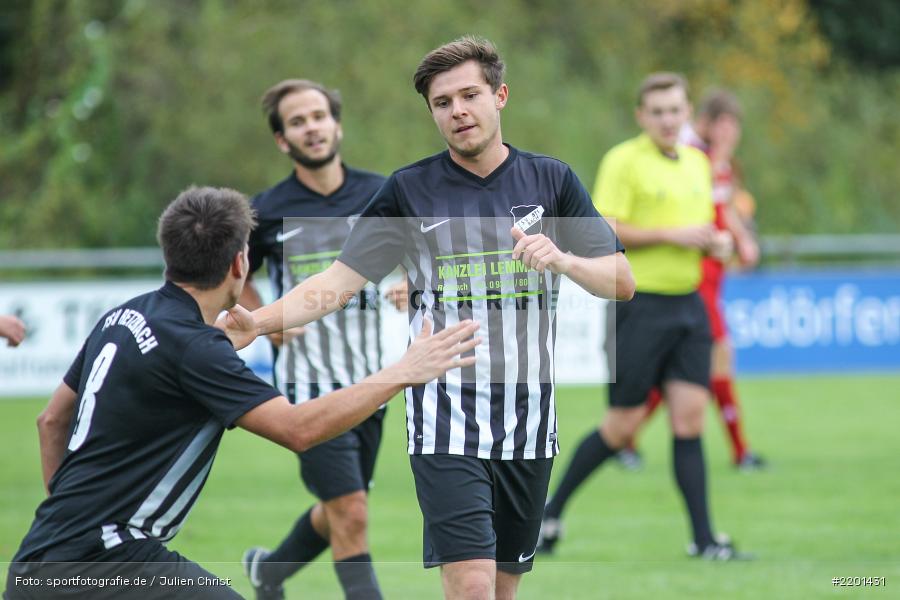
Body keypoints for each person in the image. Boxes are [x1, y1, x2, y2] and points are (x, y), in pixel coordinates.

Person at [222, 35, 633, 600]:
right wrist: (259, 322)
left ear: (500, 96)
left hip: (531, 424)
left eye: (469, 95)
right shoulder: (409, 190)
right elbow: (336, 284)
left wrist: (562, 258)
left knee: (504, 589)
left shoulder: (552, 180)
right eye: (443, 103)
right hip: (446, 422)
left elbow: (622, 280)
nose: (458, 111)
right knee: (470, 586)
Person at [3, 186, 480, 600]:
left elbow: (51, 421)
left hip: (42, 556)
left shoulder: (124, 315)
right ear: (239, 262)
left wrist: (70, 518)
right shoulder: (197, 348)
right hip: (110, 560)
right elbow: (299, 428)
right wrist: (402, 372)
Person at [539, 73, 749, 560]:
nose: (667, 119)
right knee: (622, 426)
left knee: (689, 420)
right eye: (657, 111)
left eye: (675, 110)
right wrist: (675, 236)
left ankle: (703, 540)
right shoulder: (624, 160)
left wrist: (717, 243)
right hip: (638, 306)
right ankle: (550, 513)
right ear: (641, 117)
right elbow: (603, 228)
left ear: (687, 112)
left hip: (689, 305)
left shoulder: (698, 163)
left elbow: (707, 230)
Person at [236, 79, 389, 600]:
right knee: (352, 511)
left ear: (337, 124)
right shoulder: (266, 209)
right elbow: (235, 278)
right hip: (307, 383)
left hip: (374, 380)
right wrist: (266, 318)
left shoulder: (381, 193)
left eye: (319, 116)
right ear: (283, 140)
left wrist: (413, 282)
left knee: (342, 507)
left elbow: (426, 253)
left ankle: (271, 571)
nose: (312, 127)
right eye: (297, 121)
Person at [620, 89, 764, 471]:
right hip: (691, 278)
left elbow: (723, 210)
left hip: (712, 274)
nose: (732, 134)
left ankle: (624, 440)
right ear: (708, 123)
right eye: (726, 125)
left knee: (687, 375)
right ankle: (740, 451)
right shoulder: (690, 157)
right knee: (714, 362)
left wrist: (740, 240)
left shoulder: (716, 164)